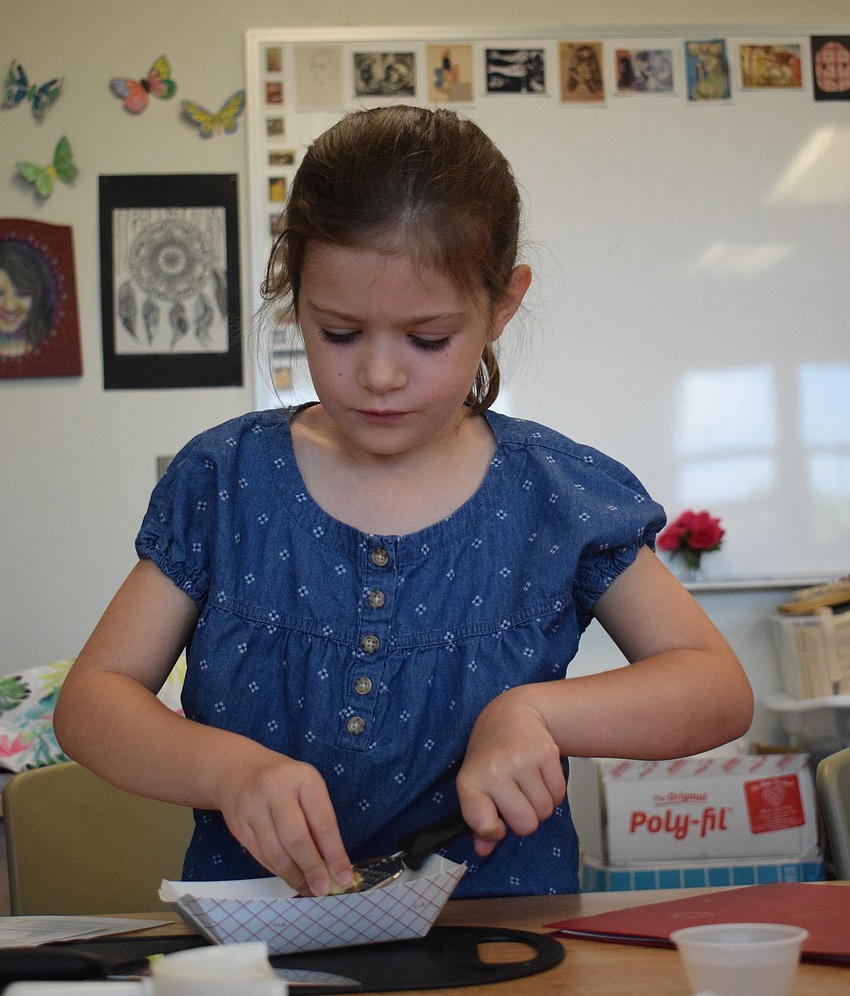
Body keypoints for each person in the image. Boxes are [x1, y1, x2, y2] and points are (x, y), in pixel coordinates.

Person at [54, 106, 753, 898]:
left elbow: (715, 687)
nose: (380, 375)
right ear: (294, 296)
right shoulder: (227, 478)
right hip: (262, 958)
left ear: (502, 306)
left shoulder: (558, 493)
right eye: (340, 332)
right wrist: (227, 768)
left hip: (503, 956)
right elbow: (91, 702)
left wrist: (539, 714)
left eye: (427, 339)